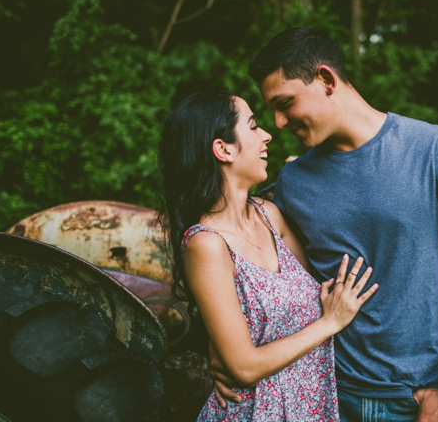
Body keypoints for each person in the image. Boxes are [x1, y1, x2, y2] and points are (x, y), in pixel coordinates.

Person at [212, 27, 438, 422]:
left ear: (326, 80)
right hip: (322, 395)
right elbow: (237, 257)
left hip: (418, 401)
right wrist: (219, 350)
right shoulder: (293, 183)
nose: (279, 123)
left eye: (285, 103)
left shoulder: (436, 150)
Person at [158, 89, 379, 421]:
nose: (267, 135)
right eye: (252, 126)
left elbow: (317, 288)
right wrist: (329, 323)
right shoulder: (206, 244)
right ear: (223, 149)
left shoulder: (269, 215)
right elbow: (244, 367)